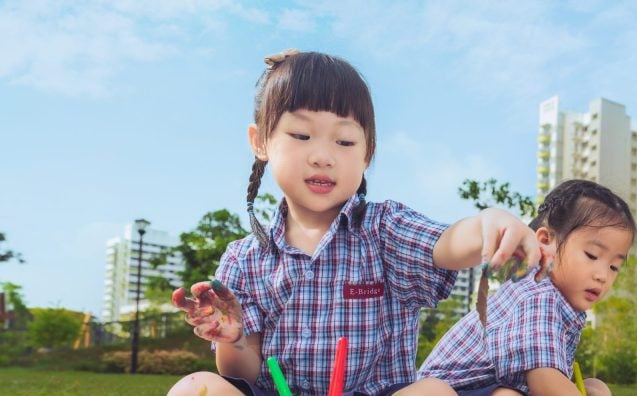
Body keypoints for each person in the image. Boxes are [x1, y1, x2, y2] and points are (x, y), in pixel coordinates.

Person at [166, 49, 545, 396]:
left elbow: (443, 244)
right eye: (301, 135)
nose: (322, 156)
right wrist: (234, 339)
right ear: (260, 141)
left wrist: (485, 224)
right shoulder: (243, 259)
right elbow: (242, 373)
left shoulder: (385, 229)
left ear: (367, 153)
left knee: (435, 391)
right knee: (196, 386)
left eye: (344, 142)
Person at [414, 179, 636, 396]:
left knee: (596, 386)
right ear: (546, 240)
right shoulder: (537, 294)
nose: (602, 276)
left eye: (614, 266)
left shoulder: (561, 303)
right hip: (449, 388)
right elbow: (545, 382)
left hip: (495, 387)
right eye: (592, 255)